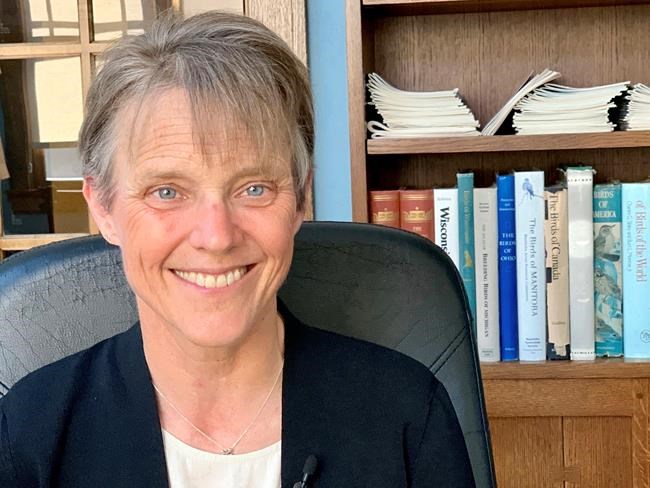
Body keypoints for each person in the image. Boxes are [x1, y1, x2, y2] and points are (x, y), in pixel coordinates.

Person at [0, 11, 475, 488]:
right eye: (167, 191)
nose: (216, 236)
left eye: (253, 188)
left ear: (301, 199)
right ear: (104, 208)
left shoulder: (408, 415)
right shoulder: (27, 433)